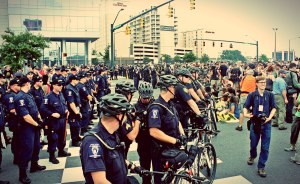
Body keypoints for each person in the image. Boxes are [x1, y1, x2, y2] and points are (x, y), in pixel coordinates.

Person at [80, 93, 138, 184]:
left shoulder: (113, 134)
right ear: (119, 116)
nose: (126, 118)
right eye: (126, 114)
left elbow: (112, 159)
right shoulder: (93, 142)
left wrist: (132, 166)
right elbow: (100, 181)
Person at [148, 75, 186, 184]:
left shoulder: (170, 104)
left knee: (172, 177)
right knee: (160, 180)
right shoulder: (156, 107)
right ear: (169, 88)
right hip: (161, 152)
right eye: (174, 87)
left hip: (172, 149)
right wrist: (174, 141)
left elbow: (177, 120)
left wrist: (182, 135)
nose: (175, 89)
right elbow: (154, 131)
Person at [14, 77, 46, 184]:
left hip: (34, 125)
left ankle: (34, 165)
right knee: (27, 149)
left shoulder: (29, 95)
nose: (30, 85)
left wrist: (39, 120)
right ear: (27, 84)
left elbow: (34, 109)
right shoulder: (20, 97)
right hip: (26, 127)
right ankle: (22, 174)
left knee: (36, 146)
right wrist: (37, 124)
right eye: (29, 83)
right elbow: (25, 116)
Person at [243, 76, 276, 178]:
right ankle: (252, 155)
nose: (263, 84)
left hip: (266, 124)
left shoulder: (270, 94)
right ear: (256, 83)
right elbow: (246, 106)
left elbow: (274, 108)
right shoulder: (252, 95)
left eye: (264, 82)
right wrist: (246, 114)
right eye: (261, 82)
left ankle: (261, 166)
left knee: (265, 147)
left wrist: (269, 118)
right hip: (255, 123)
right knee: (253, 144)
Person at [40, 79, 71, 164]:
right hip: (53, 121)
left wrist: (66, 110)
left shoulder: (61, 94)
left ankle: (61, 151)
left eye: (61, 85)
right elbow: (43, 108)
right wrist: (52, 113)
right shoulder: (48, 97)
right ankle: (52, 155)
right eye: (59, 85)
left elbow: (63, 104)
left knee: (62, 136)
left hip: (63, 119)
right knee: (53, 138)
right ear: (53, 85)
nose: (61, 86)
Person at [134, 82, 154, 184]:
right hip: (143, 142)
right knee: (145, 170)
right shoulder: (135, 107)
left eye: (148, 98)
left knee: (160, 171)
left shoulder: (156, 105)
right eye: (143, 98)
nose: (146, 100)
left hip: (156, 142)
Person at [64, 74, 82, 146]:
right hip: (72, 110)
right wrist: (76, 112)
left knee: (77, 125)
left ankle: (77, 137)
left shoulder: (75, 87)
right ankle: (74, 140)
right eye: (76, 79)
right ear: (73, 80)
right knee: (74, 125)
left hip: (76, 108)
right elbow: (71, 102)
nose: (78, 81)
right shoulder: (69, 89)